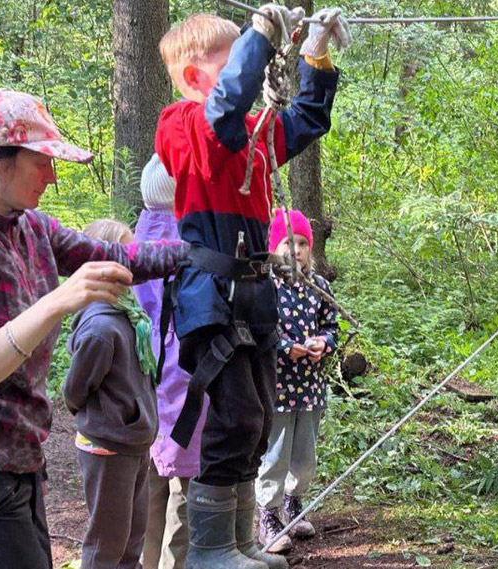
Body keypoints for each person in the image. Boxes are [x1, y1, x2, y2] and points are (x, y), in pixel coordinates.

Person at [0, 88, 189, 569]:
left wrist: (202, 253)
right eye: (42, 162)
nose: (53, 175)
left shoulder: (31, 227)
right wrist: (58, 301)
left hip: (18, 462)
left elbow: (122, 258)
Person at [154, 6, 349, 569]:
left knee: (259, 418)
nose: (254, 64)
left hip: (254, 293)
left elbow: (307, 119)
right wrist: (261, 39)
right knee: (233, 415)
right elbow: (221, 114)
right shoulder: (182, 125)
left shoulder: (251, 136)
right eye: (237, 56)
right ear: (195, 77)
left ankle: (237, 544)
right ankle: (210, 550)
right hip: (210, 293)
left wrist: (314, 53)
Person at [64, 219, 160, 569]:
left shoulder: (129, 315)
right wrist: (110, 415)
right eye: (124, 254)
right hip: (108, 445)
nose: (132, 262)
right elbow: (74, 390)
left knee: (132, 539)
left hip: (134, 441)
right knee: (106, 545)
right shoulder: (101, 328)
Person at [134, 154, 207, 569]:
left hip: (150, 386)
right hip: (181, 380)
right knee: (181, 484)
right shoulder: (183, 242)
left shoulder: (140, 236)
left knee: (153, 485)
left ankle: (150, 562)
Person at [255, 210, 338, 553]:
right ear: (276, 246)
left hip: (311, 388)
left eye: (303, 243)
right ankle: (268, 513)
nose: (297, 250)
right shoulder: (266, 286)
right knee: (275, 453)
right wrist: (287, 347)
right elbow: (263, 329)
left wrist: (323, 343)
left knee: (305, 455)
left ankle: (293, 501)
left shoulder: (320, 286)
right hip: (278, 387)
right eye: (290, 242)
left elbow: (332, 326)